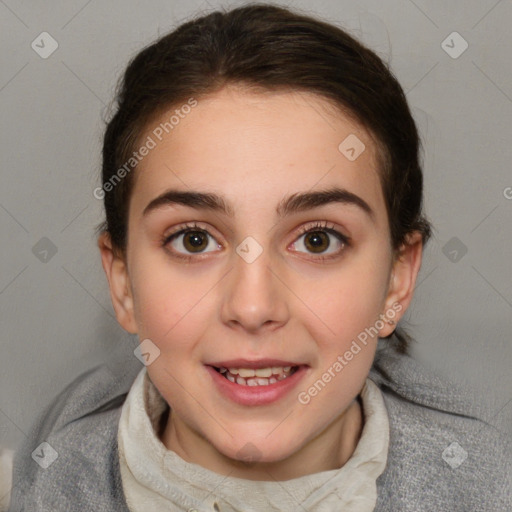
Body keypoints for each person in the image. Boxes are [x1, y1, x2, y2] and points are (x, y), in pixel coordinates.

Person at [7, 3, 511, 511]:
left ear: (397, 280)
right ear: (122, 283)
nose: (252, 307)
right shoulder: (50, 482)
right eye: (194, 240)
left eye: (318, 240)